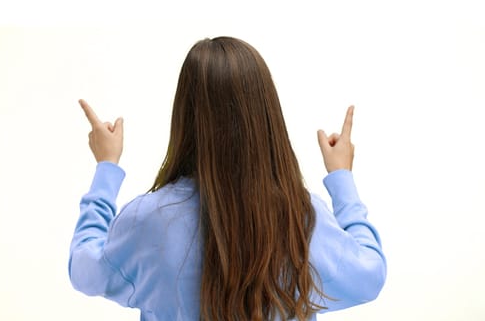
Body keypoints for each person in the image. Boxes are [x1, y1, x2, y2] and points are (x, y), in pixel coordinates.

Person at [68, 37, 386, 321]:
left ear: (184, 116)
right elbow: (369, 276)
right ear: (266, 117)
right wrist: (342, 178)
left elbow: (84, 269)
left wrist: (106, 169)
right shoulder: (300, 219)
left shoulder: (148, 219)